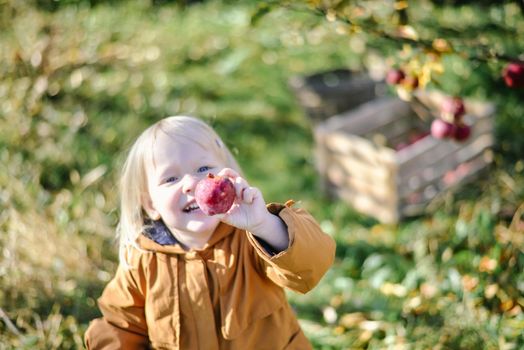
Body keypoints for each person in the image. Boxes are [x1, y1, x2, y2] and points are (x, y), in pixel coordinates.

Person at [84, 115, 336, 349]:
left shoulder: (251, 238)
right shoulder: (142, 260)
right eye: (170, 179)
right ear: (150, 204)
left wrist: (264, 224)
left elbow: (312, 264)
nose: (191, 183)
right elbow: (120, 326)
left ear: (228, 176)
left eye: (204, 169)